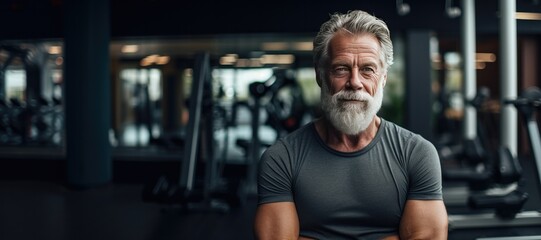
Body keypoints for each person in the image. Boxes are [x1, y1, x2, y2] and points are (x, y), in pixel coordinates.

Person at [253, 10, 448, 240]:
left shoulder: (416, 153)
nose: (355, 82)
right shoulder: (281, 158)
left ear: (383, 77)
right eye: (341, 68)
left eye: (368, 69)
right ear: (321, 75)